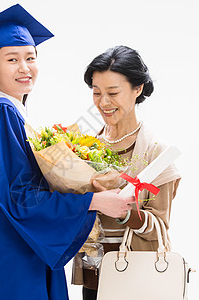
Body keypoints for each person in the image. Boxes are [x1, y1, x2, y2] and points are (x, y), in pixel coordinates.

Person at [0, 5, 135, 300]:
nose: (24, 67)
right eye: (12, 59)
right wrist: (93, 201)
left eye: (30, 57)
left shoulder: (9, 114)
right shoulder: (2, 114)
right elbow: (19, 198)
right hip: (14, 262)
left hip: (18, 256)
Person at [72, 45, 182, 300]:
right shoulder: (87, 147)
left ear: (138, 89)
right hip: (94, 272)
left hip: (136, 276)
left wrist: (125, 212)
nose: (103, 103)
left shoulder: (156, 153)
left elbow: (160, 228)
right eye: (96, 92)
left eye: (113, 92)